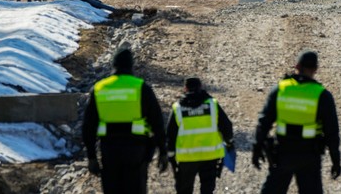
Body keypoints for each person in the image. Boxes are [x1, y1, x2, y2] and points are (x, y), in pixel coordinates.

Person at [253, 50, 341, 193]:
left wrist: (256, 148)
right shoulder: (322, 95)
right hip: (309, 155)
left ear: (297, 66)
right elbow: (332, 132)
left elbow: (264, 123)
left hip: (283, 152)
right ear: (315, 69)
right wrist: (336, 160)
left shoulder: (280, 89)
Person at [83, 47, 169, 193]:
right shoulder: (141, 87)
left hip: (109, 150)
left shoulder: (99, 89)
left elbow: (88, 127)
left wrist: (91, 157)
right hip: (136, 150)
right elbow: (157, 122)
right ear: (131, 65)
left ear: (113, 65)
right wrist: (162, 151)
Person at [166, 77, 236, 194]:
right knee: (207, 189)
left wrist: (171, 156)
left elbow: (170, 134)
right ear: (201, 87)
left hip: (187, 158)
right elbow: (226, 126)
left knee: (184, 190)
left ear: (185, 89)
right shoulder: (212, 105)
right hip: (210, 156)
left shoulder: (178, 108)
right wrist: (229, 143)